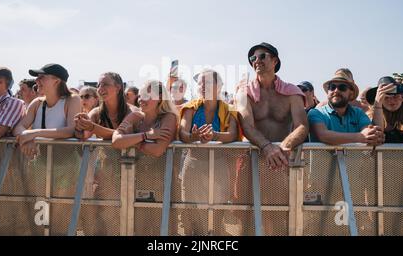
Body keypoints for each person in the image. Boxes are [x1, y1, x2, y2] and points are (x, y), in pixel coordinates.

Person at [178, 69, 241, 235]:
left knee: (217, 213)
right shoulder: (190, 108)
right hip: (193, 165)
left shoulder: (229, 110)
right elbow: (183, 134)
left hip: (219, 166)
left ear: (219, 86)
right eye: (200, 83)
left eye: (207, 82)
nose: (202, 86)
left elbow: (233, 135)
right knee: (191, 213)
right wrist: (194, 137)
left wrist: (214, 135)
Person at [236, 43, 308, 170]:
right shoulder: (244, 92)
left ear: (275, 61)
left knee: (281, 191)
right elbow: (247, 126)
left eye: (262, 56)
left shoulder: (292, 92)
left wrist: (284, 146)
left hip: (281, 161)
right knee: (245, 191)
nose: (257, 60)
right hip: (251, 160)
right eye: (253, 58)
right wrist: (267, 147)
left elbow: (302, 126)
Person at [13, 64, 81, 157]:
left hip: (66, 164)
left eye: (42, 77)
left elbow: (70, 130)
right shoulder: (37, 103)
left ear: (56, 81)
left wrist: (34, 134)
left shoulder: (73, 100)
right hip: (38, 163)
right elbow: (19, 127)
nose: (36, 80)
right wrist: (28, 140)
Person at [308, 69, 384, 146]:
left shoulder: (358, 113)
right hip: (321, 159)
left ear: (351, 93)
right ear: (328, 91)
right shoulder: (316, 113)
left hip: (353, 158)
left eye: (342, 87)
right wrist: (361, 137)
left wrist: (374, 136)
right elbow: (323, 136)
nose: (336, 91)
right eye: (332, 87)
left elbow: (369, 132)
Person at [112, 80, 178, 158]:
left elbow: (157, 150)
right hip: (135, 169)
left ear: (159, 98)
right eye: (139, 96)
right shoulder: (135, 116)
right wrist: (145, 136)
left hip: (163, 169)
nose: (140, 100)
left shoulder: (169, 117)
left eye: (146, 96)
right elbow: (116, 141)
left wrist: (131, 140)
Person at [74, 72, 138, 140]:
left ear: (118, 87)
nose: (100, 89)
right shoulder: (96, 113)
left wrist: (93, 128)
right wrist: (80, 127)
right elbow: (84, 135)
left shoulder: (132, 112)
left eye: (105, 84)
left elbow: (122, 136)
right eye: (98, 85)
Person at [366, 76, 403, 143]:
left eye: (396, 96)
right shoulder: (370, 116)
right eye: (386, 97)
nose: (391, 100)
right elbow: (377, 137)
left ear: (402, 96)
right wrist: (378, 104)